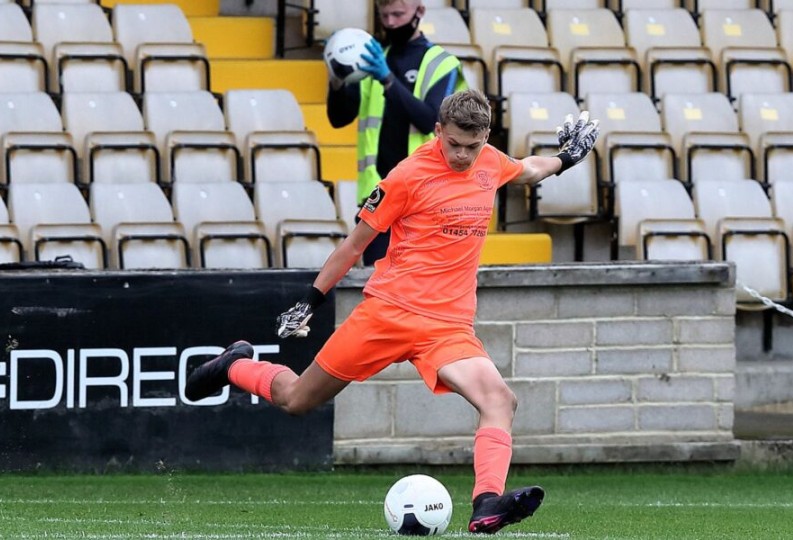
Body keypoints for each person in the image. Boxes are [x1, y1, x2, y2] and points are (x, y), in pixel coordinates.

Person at [185, 89, 598, 534]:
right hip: (388, 313)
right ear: (438, 131)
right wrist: (311, 299)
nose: (461, 155)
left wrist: (565, 159)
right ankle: (236, 365)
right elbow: (354, 244)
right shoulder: (407, 176)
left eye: (472, 146)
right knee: (297, 400)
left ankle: (486, 503)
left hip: (447, 325)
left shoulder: (490, 162)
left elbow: (529, 170)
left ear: (486, 138)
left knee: (500, 400)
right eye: (453, 143)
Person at [328, 0, 467, 266]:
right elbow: (339, 118)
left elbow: (430, 119)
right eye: (385, 15)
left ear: (419, 12)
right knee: (377, 285)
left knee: (419, 287)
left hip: (424, 196)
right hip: (378, 194)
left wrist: (387, 79)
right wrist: (336, 82)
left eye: (398, 14)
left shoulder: (441, 63)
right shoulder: (367, 58)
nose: (391, 22)